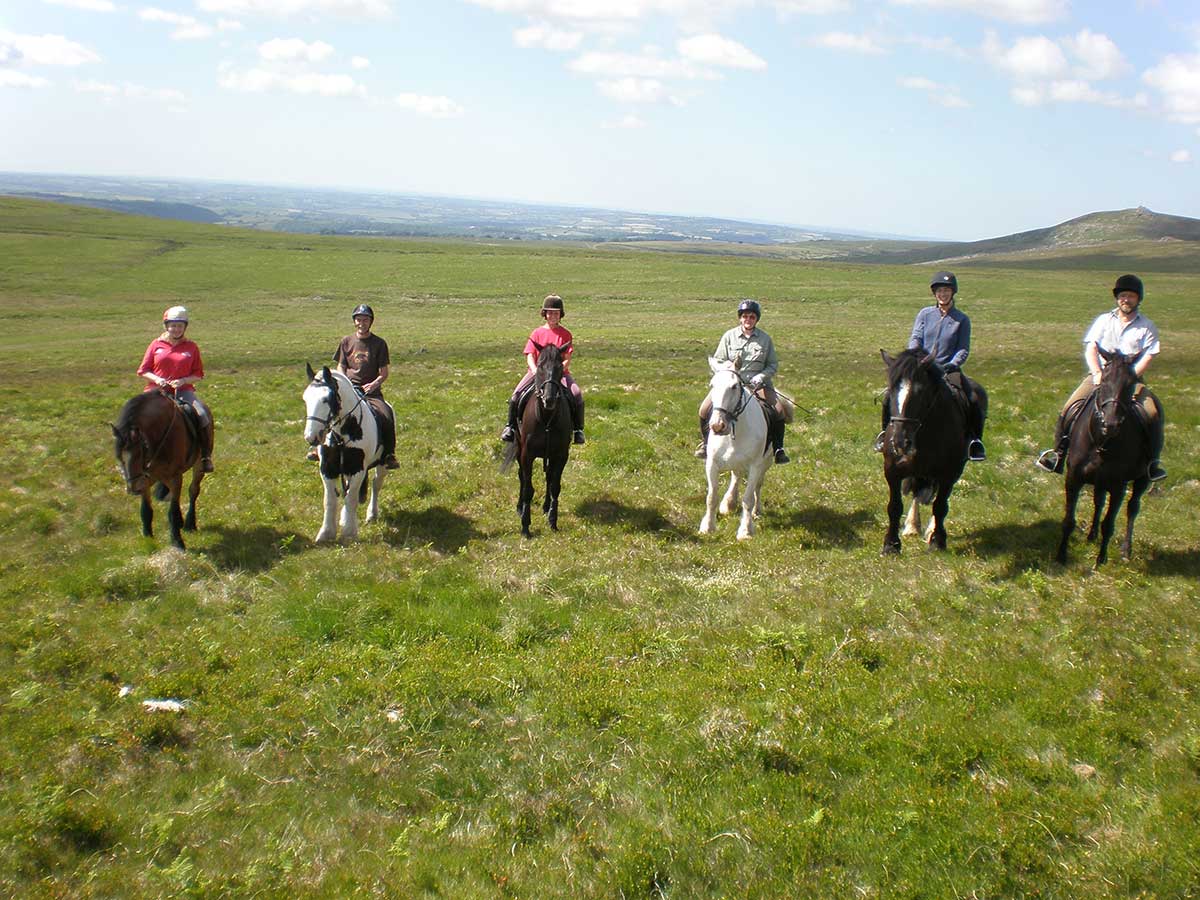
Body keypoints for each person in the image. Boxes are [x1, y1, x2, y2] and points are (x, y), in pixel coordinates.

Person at [1036, 274, 1166, 481]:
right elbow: (1091, 348)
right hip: (1100, 376)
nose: (1126, 300)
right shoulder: (1104, 321)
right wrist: (1097, 373)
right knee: (1070, 406)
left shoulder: (1147, 326)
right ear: (1117, 298)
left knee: (1152, 413)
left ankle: (1152, 463)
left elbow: (1150, 354)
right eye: (1123, 296)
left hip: (1131, 380)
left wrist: (1130, 378)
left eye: (1131, 296)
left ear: (1138, 299)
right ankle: (1058, 454)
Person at [875, 271, 987, 461]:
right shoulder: (925, 314)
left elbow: (963, 348)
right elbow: (916, 338)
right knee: (889, 395)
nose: (943, 294)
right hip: (922, 368)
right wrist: (914, 360)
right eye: (940, 291)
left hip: (947, 369)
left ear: (953, 293)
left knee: (973, 397)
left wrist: (952, 364)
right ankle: (885, 433)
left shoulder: (962, 320)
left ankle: (974, 442)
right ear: (935, 293)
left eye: (946, 291)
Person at [695, 299, 789, 464]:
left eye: (752, 317)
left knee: (779, 411)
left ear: (756, 319)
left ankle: (778, 449)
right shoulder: (729, 337)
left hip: (758, 385)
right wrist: (727, 369)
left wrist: (761, 376)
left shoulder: (765, 339)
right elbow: (718, 359)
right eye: (745, 316)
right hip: (731, 383)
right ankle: (706, 443)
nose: (748, 320)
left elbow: (772, 364)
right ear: (740, 318)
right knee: (704, 409)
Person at [308, 304, 399, 469]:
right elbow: (341, 366)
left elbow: (384, 373)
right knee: (329, 412)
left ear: (371, 322)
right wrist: (345, 383)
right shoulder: (346, 341)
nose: (361, 323)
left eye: (365, 320)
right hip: (349, 390)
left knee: (386, 414)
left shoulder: (379, 344)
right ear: (354, 322)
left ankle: (389, 454)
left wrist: (374, 384)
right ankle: (318, 447)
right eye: (358, 320)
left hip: (371, 393)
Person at [137, 305, 215, 473]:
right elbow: (143, 370)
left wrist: (183, 381)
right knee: (136, 416)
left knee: (201, 414)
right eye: (172, 325)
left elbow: (199, 374)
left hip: (183, 390)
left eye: (180, 325)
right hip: (155, 390)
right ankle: (135, 456)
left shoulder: (191, 347)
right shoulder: (156, 345)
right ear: (166, 326)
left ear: (185, 327)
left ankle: (205, 456)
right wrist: (158, 379)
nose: (176, 329)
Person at [500, 294, 585, 445]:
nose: (553, 316)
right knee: (515, 395)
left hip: (560, 374)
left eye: (556, 313)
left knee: (577, 395)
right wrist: (534, 370)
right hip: (537, 373)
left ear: (561, 315)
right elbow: (530, 355)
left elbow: (567, 359)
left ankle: (578, 430)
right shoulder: (537, 333)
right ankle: (510, 427)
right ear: (544, 314)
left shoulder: (566, 334)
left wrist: (558, 371)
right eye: (550, 312)